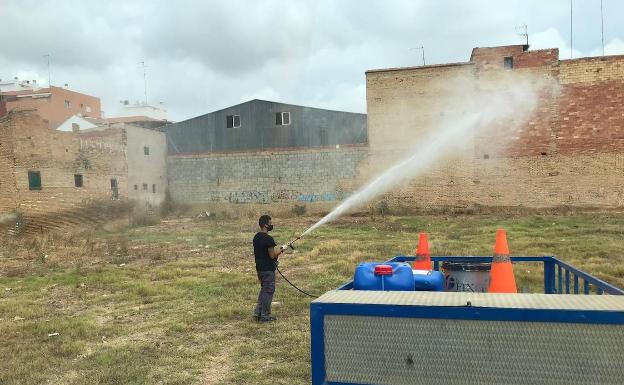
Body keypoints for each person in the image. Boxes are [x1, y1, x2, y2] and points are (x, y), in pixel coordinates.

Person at [252, 215, 284, 322]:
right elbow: (272, 256)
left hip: (259, 268)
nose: (272, 224)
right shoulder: (268, 239)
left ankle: (257, 313)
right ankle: (265, 316)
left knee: (264, 290)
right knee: (268, 291)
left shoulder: (256, 237)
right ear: (265, 225)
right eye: (270, 223)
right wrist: (282, 250)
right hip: (268, 269)